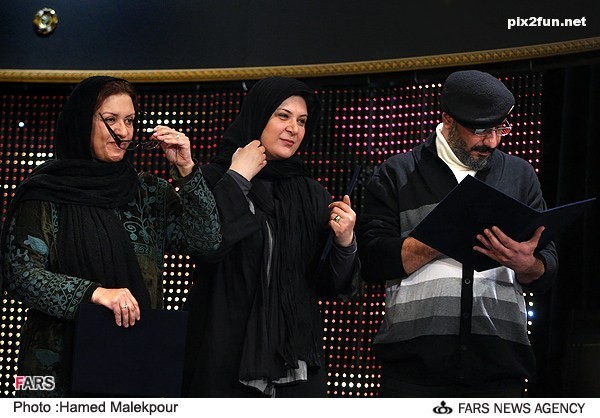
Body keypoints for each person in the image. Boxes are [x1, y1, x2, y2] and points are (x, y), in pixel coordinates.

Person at [0, 76, 222, 397]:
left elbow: (207, 243)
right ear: (82, 122)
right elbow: (19, 275)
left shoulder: (150, 193)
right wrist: (94, 294)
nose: (123, 131)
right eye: (111, 119)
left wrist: (187, 170)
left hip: (133, 361)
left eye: (129, 120)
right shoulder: (44, 192)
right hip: (52, 370)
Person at [357, 70, 558, 397]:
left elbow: (547, 266)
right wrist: (443, 234)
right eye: (481, 130)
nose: (492, 141)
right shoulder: (398, 173)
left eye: (500, 128)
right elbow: (371, 261)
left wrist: (527, 265)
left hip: (498, 368)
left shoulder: (519, 175)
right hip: (413, 371)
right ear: (448, 119)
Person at [183, 76, 360, 397]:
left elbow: (329, 284)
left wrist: (345, 242)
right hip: (225, 356)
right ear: (259, 115)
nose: (294, 128)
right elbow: (208, 247)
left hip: (295, 363)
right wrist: (238, 179)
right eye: (283, 115)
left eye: (302, 121)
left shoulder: (311, 193)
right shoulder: (212, 178)